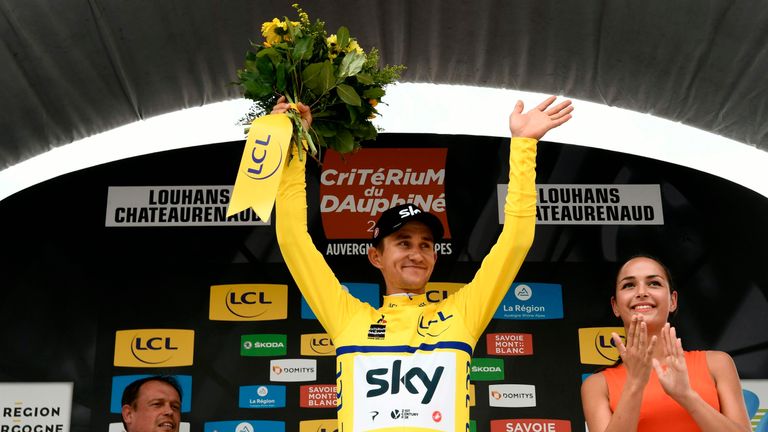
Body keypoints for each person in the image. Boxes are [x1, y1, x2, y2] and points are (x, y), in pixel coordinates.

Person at [273, 95, 573, 432]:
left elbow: (515, 241)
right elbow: (292, 239)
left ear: (434, 257)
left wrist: (523, 146)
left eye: (426, 244)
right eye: (403, 243)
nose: (416, 253)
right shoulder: (348, 319)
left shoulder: (461, 315)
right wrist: (295, 143)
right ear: (376, 256)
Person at [580, 255, 751, 432]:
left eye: (654, 283)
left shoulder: (717, 363)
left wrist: (687, 396)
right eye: (628, 285)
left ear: (673, 301)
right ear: (615, 306)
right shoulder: (598, 384)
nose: (641, 292)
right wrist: (634, 385)